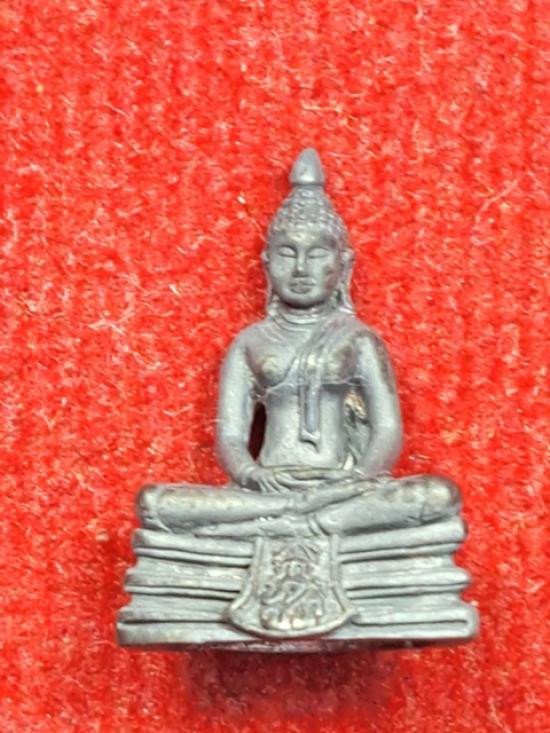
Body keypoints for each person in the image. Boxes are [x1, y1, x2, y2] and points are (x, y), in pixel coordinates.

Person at [139, 148, 460, 538]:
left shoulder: (358, 339)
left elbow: (387, 430)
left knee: (438, 495)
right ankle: (297, 515)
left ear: (343, 265)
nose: (301, 268)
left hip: (343, 488)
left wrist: (358, 478)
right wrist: (251, 474)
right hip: (268, 489)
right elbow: (231, 437)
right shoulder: (251, 342)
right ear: (267, 263)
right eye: (287, 254)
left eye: (317, 253)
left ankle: (297, 522)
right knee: (154, 502)